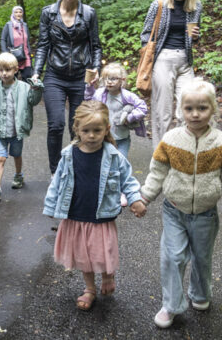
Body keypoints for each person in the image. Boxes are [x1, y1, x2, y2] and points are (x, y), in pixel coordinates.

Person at [43, 100, 146, 311]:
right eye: (86, 130)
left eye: (97, 130)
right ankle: (89, 288)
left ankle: (108, 277)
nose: (91, 135)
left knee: (103, 251)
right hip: (76, 214)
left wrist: (135, 199)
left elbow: (127, 179)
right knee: (83, 256)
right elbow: (58, 181)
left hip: (101, 215)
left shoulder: (113, 155)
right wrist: (51, 205)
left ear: (107, 129)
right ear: (77, 130)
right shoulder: (68, 155)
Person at [141, 78, 221, 328]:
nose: (195, 114)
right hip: (174, 209)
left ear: (213, 109)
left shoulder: (219, 142)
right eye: (189, 108)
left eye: (202, 108)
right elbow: (157, 171)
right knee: (173, 257)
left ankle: (199, 293)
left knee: (202, 256)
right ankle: (171, 305)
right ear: (180, 109)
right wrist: (145, 197)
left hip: (206, 213)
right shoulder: (172, 139)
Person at [32, 0, 102, 175]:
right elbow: (43, 44)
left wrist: (96, 68)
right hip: (55, 75)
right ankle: (55, 171)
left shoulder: (89, 13)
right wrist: (37, 71)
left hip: (81, 76)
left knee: (78, 127)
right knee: (56, 125)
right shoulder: (48, 13)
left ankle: (75, 168)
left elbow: (95, 45)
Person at [141, 0, 202, 149]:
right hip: (163, 60)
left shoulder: (195, 6)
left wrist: (196, 38)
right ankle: (161, 156)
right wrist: (151, 56)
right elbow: (145, 35)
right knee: (163, 112)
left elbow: (193, 38)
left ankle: (183, 151)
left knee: (189, 108)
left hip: (185, 61)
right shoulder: (158, 4)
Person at [0, 52, 43, 202]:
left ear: (16, 70)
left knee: (16, 154)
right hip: (0, 132)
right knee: (0, 157)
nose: (4, 73)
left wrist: (37, 89)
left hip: (17, 132)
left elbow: (33, 101)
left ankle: (18, 175)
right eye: (1, 70)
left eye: (7, 70)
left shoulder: (24, 87)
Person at [85, 62, 147, 206]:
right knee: (102, 163)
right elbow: (88, 101)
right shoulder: (100, 93)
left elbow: (142, 107)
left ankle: (123, 191)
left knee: (120, 164)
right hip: (105, 139)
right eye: (106, 78)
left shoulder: (126, 96)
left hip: (122, 138)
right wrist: (89, 87)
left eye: (113, 79)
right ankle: (103, 190)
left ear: (122, 80)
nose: (109, 82)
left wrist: (130, 117)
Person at [0, 6, 32, 82]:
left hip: (25, 55)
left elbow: (27, 41)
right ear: (13, 13)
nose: (18, 14)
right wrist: (5, 53)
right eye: (16, 12)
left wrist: (30, 53)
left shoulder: (24, 25)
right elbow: (3, 39)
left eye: (20, 12)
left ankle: (26, 93)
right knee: (13, 79)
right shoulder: (8, 25)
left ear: (22, 13)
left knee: (27, 77)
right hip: (13, 56)